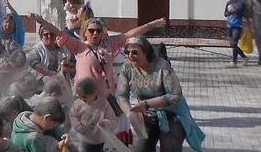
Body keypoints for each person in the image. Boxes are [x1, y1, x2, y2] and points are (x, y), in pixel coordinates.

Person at [116, 35, 201, 152]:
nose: (131, 55)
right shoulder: (127, 68)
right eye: (128, 52)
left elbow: (175, 95)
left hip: (173, 115)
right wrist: (129, 113)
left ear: (145, 51)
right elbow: (121, 95)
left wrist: (147, 103)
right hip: (146, 115)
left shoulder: (162, 67)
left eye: (135, 52)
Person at [30, 13, 166, 103]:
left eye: (98, 31)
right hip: (83, 97)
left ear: (102, 33)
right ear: (85, 32)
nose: (95, 33)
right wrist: (41, 20)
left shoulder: (110, 44)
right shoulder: (78, 46)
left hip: (105, 97)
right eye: (91, 30)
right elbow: (58, 32)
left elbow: (129, 34)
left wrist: (152, 24)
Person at [225, 0, 249, 66]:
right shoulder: (228, 3)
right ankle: (244, 57)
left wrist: (233, 10)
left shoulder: (241, 2)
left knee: (234, 43)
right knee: (232, 44)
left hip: (237, 25)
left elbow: (240, 11)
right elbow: (225, 14)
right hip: (229, 25)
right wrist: (229, 11)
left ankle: (234, 61)